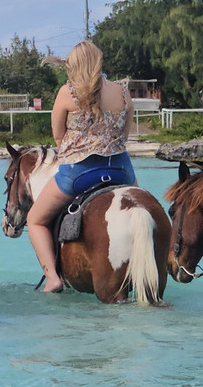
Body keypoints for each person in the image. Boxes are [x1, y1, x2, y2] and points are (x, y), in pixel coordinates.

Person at [26, 40, 136, 292]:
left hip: (79, 173)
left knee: (35, 220)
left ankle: (52, 278)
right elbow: (125, 136)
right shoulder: (122, 91)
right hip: (120, 169)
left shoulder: (68, 93)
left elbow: (58, 136)